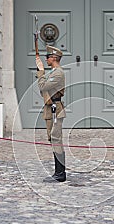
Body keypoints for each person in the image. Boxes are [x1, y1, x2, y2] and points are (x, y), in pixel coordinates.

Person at [36, 45, 67, 183]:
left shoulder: (58, 73)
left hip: (56, 109)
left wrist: (41, 71)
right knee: (53, 139)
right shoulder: (53, 72)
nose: (46, 59)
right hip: (51, 108)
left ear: (54, 58)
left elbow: (43, 86)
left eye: (48, 57)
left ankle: (60, 173)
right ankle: (58, 172)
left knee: (56, 140)